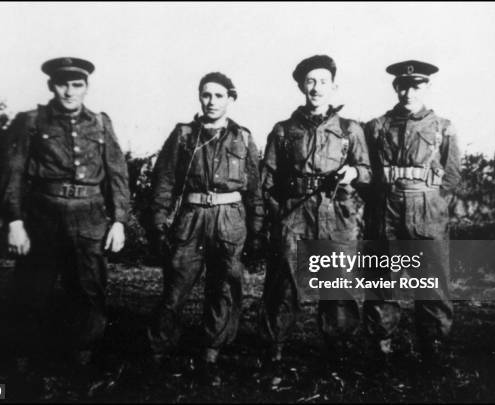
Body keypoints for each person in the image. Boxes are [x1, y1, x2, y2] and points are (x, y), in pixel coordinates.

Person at [1, 57, 130, 369]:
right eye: (63, 84)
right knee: (32, 287)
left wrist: (120, 221)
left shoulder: (100, 123)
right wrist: (15, 221)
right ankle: (24, 359)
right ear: (51, 86)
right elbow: (12, 173)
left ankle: (82, 356)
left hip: (90, 217)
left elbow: (118, 175)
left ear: (86, 87)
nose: (70, 92)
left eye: (77, 85)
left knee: (89, 289)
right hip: (43, 215)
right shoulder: (31, 121)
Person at [259, 55, 372, 381]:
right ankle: (273, 354)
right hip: (295, 214)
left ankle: (336, 356)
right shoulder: (284, 130)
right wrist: (277, 217)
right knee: (283, 287)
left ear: (333, 86)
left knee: (337, 288)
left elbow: (367, 172)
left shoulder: (350, 130)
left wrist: (353, 171)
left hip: (336, 214)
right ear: (300, 86)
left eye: (323, 81)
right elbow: (266, 180)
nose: (316, 88)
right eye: (310, 81)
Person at [148, 72, 264, 386]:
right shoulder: (184, 135)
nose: (211, 101)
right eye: (206, 95)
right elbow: (164, 181)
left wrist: (255, 230)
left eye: (219, 95)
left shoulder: (243, 137)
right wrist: (158, 223)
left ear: (231, 99)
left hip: (230, 220)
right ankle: (158, 352)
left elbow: (254, 189)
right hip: (191, 218)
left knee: (224, 288)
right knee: (175, 286)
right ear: (200, 97)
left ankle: (211, 355)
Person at [363, 60, 461, 367]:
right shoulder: (376, 126)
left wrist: (433, 203)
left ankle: (433, 349)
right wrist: (381, 201)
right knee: (382, 280)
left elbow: (452, 175)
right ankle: (381, 348)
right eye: (403, 86)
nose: (409, 92)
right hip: (386, 209)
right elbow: (368, 173)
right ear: (395, 87)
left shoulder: (443, 126)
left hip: (427, 210)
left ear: (427, 87)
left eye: (416, 86)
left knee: (431, 282)